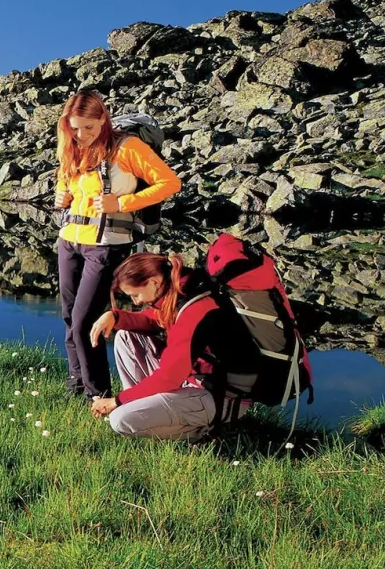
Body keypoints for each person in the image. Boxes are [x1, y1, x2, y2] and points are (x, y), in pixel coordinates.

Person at [54, 91, 180, 399]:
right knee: (70, 316)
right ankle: (77, 384)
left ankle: (98, 394)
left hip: (107, 244)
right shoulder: (71, 148)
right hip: (69, 240)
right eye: (74, 128)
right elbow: (64, 180)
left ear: (102, 120)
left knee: (86, 320)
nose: (81, 135)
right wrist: (61, 197)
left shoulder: (127, 147)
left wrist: (123, 202)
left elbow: (170, 183)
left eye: (88, 128)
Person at [87, 251, 257, 440]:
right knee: (126, 337)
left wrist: (116, 401)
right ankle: (142, 407)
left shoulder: (195, 309)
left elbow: (168, 378)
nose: (136, 302)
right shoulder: (182, 292)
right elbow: (153, 319)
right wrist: (115, 316)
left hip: (221, 397)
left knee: (120, 420)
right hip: (195, 383)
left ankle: (209, 431)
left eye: (135, 295)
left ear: (153, 282)